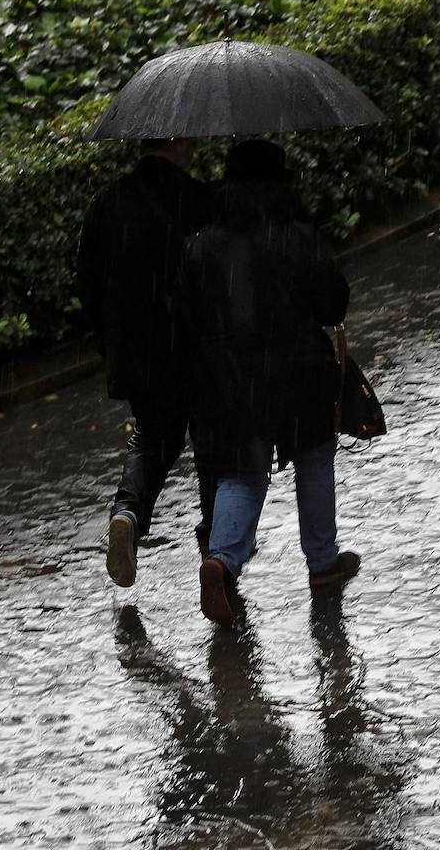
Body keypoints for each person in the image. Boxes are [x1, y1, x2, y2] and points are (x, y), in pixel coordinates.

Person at [178, 140, 360, 626]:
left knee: (243, 471)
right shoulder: (297, 234)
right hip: (301, 369)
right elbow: (332, 304)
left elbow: (190, 318)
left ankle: (221, 559)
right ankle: (323, 564)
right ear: (281, 180)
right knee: (314, 460)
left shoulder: (202, 244)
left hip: (235, 378)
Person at [76, 137, 216, 588]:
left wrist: (109, 340)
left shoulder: (107, 203)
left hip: (135, 349)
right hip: (191, 343)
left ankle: (128, 512)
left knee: (153, 434)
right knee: (212, 439)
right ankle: (217, 544)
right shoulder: (195, 199)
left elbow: (86, 281)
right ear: (177, 141)